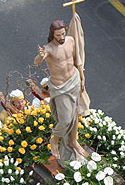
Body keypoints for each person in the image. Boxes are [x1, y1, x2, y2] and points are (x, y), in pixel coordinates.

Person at [35, 20, 90, 164]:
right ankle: (55, 138)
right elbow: (37, 61)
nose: (61, 37)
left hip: (74, 80)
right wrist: (40, 56)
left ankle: (73, 141)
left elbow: (77, 59)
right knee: (65, 119)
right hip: (60, 87)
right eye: (58, 35)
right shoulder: (49, 48)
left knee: (75, 115)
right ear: (52, 35)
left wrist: (82, 77)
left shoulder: (70, 40)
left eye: (63, 33)